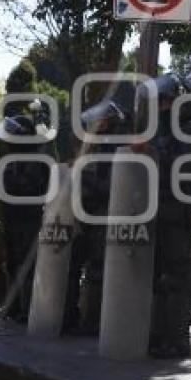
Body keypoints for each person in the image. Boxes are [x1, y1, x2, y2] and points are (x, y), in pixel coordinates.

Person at [135, 73, 191, 359]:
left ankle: (176, 338)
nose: (161, 106)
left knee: (176, 275)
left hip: (178, 207)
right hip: (156, 206)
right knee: (157, 275)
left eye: (166, 100)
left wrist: (151, 149)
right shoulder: (166, 128)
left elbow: (187, 157)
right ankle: (156, 335)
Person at [63, 100, 126, 334]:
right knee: (73, 266)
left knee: (98, 269)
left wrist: (82, 175)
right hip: (85, 214)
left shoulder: (116, 149)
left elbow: (109, 187)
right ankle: (69, 316)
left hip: (102, 216)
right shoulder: (96, 148)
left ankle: (92, 322)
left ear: (108, 122)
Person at [0, 115, 51, 323]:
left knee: (27, 264)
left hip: (28, 218)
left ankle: (27, 309)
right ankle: (11, 307)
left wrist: (2, 177)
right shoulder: (13, 159)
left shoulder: (37, 158)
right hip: (12, 217)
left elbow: (29, 186)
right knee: (13, 263)